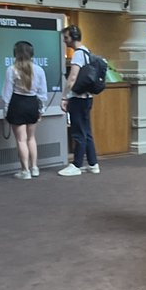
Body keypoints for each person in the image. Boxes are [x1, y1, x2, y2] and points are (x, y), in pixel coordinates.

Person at [2, 40, 47, 180]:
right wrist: (41, 109)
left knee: (21, 140)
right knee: (32, 138)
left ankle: (25, 171)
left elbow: (6, 93)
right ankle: (35, 168)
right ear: (32, 53)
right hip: (33, 103)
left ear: (15, 53)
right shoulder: (39, 70)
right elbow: (43, 93)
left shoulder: (11, 69)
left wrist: (5, 109)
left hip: (17, 104)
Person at [59, 24, 100, 177]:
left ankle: (76, 164)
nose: (65, 41)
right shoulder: (88, 52)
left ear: (73, 37)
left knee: (78, 132)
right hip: (88, 97)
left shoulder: (77, 54)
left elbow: (73, 77)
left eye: (66, 38)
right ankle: (92, 163)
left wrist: (64, 96)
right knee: (87, 131)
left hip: (77, 98)